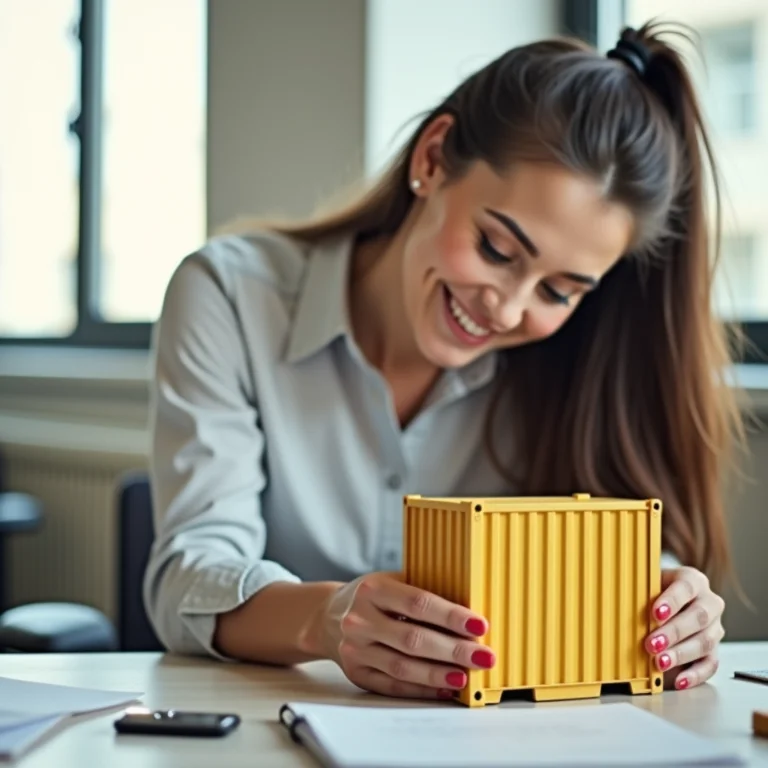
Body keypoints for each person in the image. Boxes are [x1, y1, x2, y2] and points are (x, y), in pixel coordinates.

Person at [143, 22, 746, 701]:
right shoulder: (228, 294)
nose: (509, 309)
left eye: (557, 290)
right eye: (496, 247)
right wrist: (324, 619)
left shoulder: (571, 358)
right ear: (432, 157)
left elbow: (604, 538)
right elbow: (189, 577)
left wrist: (666, 598)